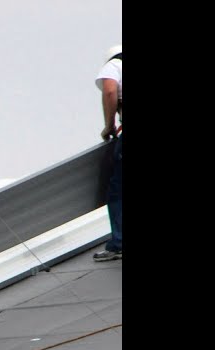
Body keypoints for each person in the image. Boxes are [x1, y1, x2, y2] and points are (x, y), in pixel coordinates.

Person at [93, 44, 122, 262]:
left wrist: (109, 125)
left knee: (118, 191)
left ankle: (119, 244)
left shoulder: (115, 65)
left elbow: (111, 90)